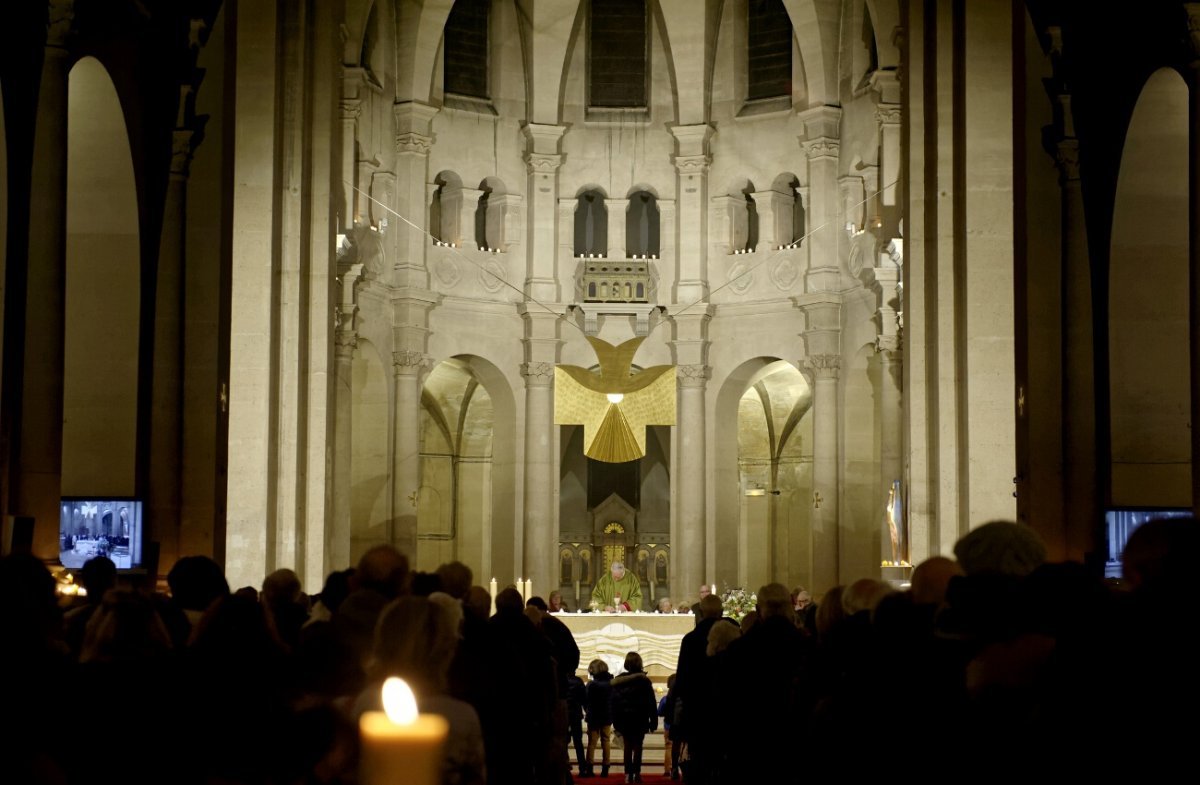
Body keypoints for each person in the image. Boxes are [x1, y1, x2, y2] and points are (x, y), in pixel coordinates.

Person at [609, 651, 658, 784]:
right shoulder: (645, 681)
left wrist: (615, 721)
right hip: (640, 719)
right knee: (638, 747)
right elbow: (651, 703)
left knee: (627, 747)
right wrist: (654, 721)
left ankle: (627, 774)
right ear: (640, 663)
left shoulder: (618, 682)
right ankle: (636, 773)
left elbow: (614, 703)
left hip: (624, 719)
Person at [584, 659, 614, 777]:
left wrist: (587, 710)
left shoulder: (591, 684)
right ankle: (605, 767)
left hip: (593, 716)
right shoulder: (611, 683)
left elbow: (585, 700)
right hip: (607, 716)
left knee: (592, 742)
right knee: (606, 741)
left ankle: (589, 768)